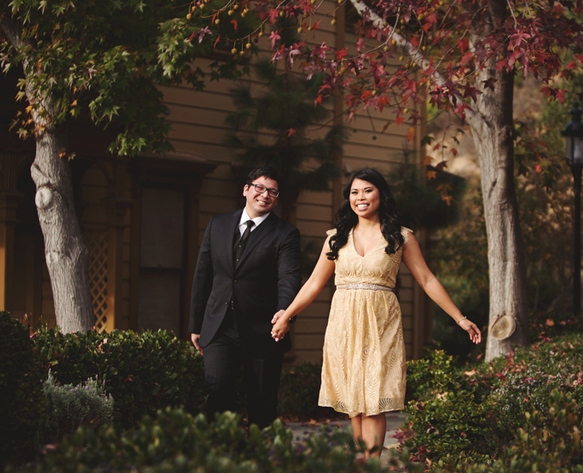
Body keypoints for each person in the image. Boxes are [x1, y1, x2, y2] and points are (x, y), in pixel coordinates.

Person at [270, 168, 481, 458]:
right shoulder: (335, 237)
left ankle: (370, 468)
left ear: (380, 194)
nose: (361, 197)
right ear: (349, 199)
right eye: (355, 192)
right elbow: (314, 284)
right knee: (353, 405)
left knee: (372, 401)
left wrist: (460, 318)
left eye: (367, 190)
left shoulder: (400, 237)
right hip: (344, 325)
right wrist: (286, 316)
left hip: (381, 325)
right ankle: (363, 466)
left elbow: (427, 279)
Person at [190, 166, 301, 428]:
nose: (265, 195)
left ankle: (259, 462)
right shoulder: (218, 224)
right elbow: (202, 275)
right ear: (246, 190)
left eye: (272, 191)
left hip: (264, 329)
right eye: (259, 188)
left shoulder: (285, 234)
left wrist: (284, 310)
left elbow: (289, 278)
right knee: (217, 392)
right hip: (219, 327)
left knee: (262, 403)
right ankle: (221, 459)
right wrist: (196, 325)